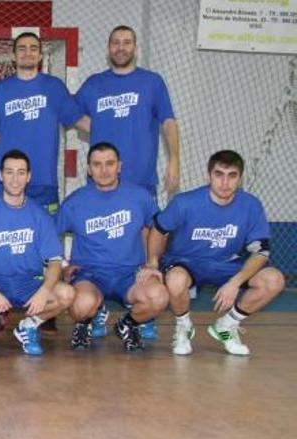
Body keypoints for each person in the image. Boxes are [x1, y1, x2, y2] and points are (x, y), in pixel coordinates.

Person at [75, 25, 181, 340]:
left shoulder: (152, 82)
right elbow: (71, 113)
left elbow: (169, 121)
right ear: (108, 48)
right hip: (103, 182)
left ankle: (140, 313)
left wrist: (174, 158)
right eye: (115, 43)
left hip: (140, 180)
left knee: (143, 245)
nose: (121, 47)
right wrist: (97, 128)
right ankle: (96, 303)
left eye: (127, 42)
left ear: (134, 47)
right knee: (102, 239)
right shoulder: (94, 84)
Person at [147, 150, 284, 356]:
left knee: (274, 280)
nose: (225, 182)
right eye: (219, 174)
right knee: (175, 280)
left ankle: (226, 326)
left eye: (232, 175)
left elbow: (261, 252)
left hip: (226, 263)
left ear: (240, 178)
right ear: (208, 175)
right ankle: (183, 326)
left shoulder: (251, 205)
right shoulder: (185, 203)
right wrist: (152, 262)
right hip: (186, 261)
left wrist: (235, 283)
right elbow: (158, 229)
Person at [56, 142, 168, 352]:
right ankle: (85, 322)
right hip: (90, 274)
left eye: (110, 163)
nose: (104, 170)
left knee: (159, 296)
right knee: (81, 305)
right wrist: (63, 265)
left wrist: (152, 262)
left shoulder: (139, 196)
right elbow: (49, 236)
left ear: (119, 166)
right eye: (97, 164)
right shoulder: (75, 202)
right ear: (88, 169)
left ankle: (128, 325)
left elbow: (159, 229)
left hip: (130, 273)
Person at [0, 150, 74, 355]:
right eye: (10, 172)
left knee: (66, 294)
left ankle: (28, 326)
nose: (15, 179)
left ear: (28, 177)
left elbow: (55, 261)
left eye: (21, 173)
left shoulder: (40, 216)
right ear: (0, 176)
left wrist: (44, 291)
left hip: (29, 282)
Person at [0, 32, 88, 212]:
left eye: (33, 48)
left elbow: (80, 120)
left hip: (43, 181)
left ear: (40, 56)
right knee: (5, 237)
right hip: (6, 182)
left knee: (45, 238)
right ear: (14, 56)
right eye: (22, 48)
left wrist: (114, 135)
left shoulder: (54, 87)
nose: (28, 52)